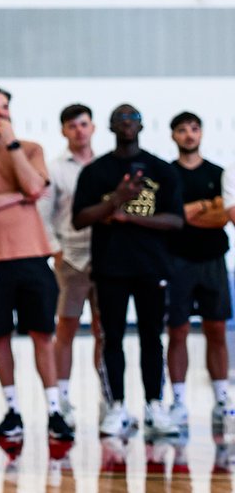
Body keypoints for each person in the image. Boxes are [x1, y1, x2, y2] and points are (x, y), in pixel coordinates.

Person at [0, 86, 74, 444]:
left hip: (33, 256)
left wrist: (12, 145)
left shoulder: (31, 149)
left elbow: (34, 187)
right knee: (0, 336)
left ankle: (53, 410)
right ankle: (12, 409)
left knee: (41, 334)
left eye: (4, 107)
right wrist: (15, 198)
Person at [72, 103, 184, 439]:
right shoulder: (96, 171)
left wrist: (129, 216)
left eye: (132, 118)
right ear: (110, 126)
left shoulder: (160, 170)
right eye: (120, 119)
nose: (126, 124)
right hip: (110, 268)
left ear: (141, 125)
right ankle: (116, 405)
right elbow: (80, 219)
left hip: (152, 267)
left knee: (153, 338)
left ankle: (154, 404)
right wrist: (114, 200)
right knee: (112, 339)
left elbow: (176, 220)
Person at [164, 111, 231, 434]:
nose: (189, 135)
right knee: (177, 331)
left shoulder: (218, 173)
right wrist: (205, 207)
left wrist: (196, 210)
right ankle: (178, 400)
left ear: (201, 134)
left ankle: (221, 397)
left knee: (216, 329)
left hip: (212, 260)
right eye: (182, 130)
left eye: (194, 129)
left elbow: (222, 217)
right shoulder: (167, 174)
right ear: (173, 136)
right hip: (177, 261)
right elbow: (175, 217)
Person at [37, 103, 103, 423]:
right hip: (71, 259)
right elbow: (44, 216)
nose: (79, 130)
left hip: (106, 259)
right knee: (66, 329)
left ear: (93, 127)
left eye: (84, 124)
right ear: (64, 130)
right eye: (72, 126)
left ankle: (108, 397)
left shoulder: (106, 167)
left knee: (105, 331)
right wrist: (55, 250)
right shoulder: (55, 169)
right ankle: (62, 399)